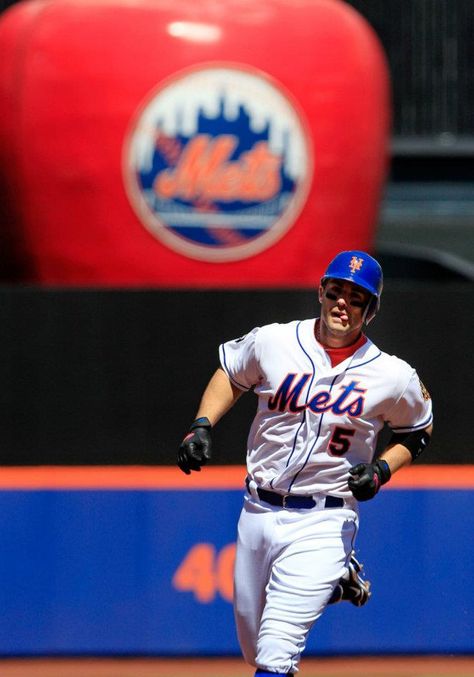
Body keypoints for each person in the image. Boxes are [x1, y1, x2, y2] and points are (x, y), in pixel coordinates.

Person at [177, 250, 433, 676]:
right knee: (253, 647)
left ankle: (333, 564)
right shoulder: (274, 341)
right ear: (321, 291)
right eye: (336, 292)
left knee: (276, 653)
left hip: (325, 519)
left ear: (370, 311)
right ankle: (338, 578)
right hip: (258, 509)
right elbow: (231, 373)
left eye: (356, 298)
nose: (342, 304)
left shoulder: (392, 375)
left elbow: (418, 429)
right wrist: (202, 424)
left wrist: (382, 470)